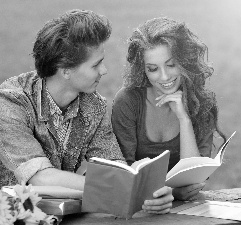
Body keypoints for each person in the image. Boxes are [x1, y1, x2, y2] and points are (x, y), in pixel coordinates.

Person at [0, 10, 173, 214]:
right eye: (96, 64)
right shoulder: (10, 104)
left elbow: (114, 169)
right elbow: (39, 177)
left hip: (55, 213)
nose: (104, 70)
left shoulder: (93, 105)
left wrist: (147, 189)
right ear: (65, 70)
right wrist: (120, 186)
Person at [111, 17, 227, 201]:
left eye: (171, 65)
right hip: (139, 207)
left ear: (184, 60)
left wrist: (184, 120)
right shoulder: (128, 101)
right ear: (143, 69)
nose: (164, 77)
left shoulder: (201, 103)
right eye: (153, 69)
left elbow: (195, 176)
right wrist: (171, 191)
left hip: (187, 212)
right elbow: (123, 172)